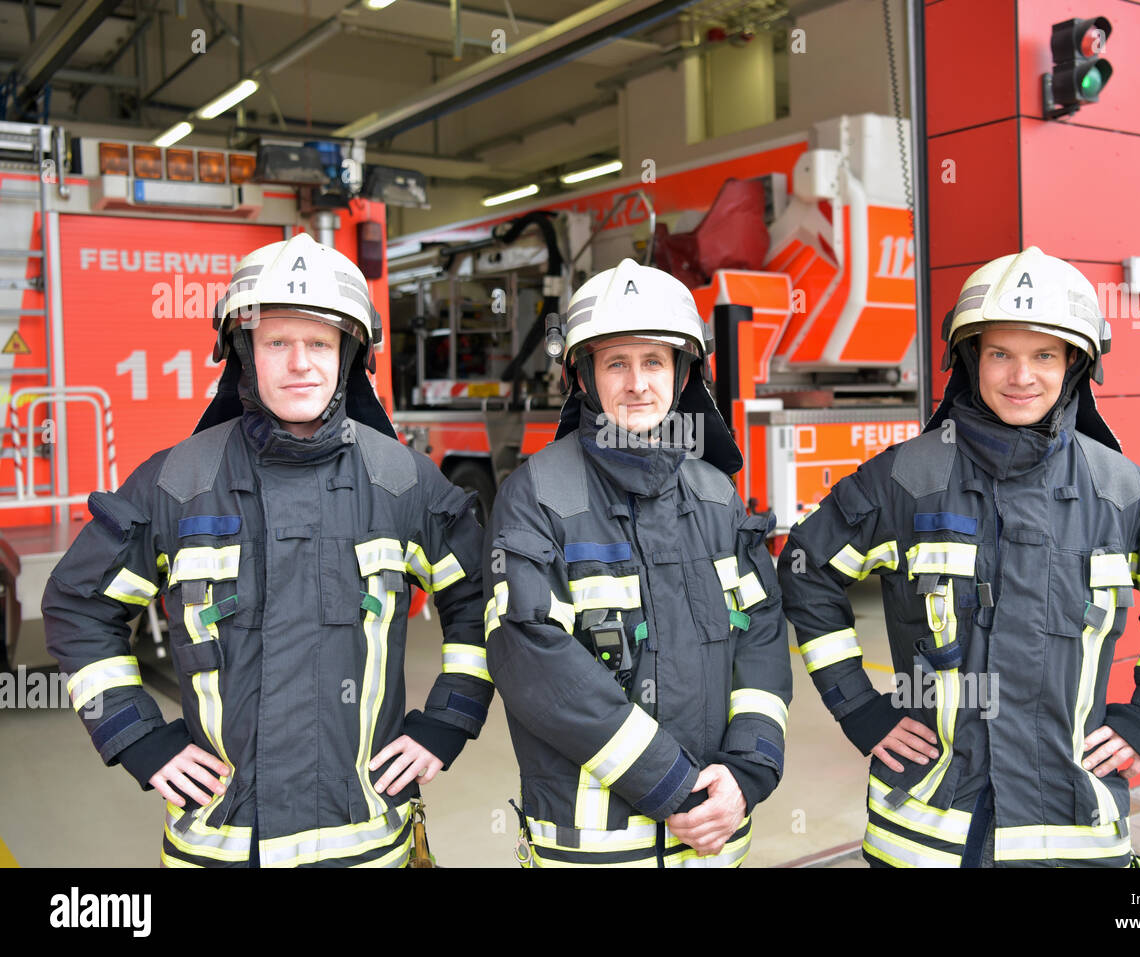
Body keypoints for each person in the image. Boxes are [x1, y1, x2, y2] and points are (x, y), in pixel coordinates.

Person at [43, 233, 490, 867]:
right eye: (278, 342)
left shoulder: (404, 483)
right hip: (219, 847)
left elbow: (484, 600)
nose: (300, 363)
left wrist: (448, 721)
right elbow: (78, 608)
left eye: (320, 343)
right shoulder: (178, 482)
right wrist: (137, 737)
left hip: (363, 845)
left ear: (349, 356)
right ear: (243, 352)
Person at [777, 246, 1140, 868]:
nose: (1022, 376)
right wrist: (861, 708)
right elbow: (807, 572)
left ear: (1074, 365)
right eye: (1001, 354)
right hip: (928, 838)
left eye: (1044, 354)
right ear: (970, 359)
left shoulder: (1119, 491)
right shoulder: (906, 480)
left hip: (1072, 831)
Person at [484, 259, 792, 867]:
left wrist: (748, 769)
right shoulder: (538, 494)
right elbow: (532, 659)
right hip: (595, 851)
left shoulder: (716, 494)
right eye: (616, 363)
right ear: (584, 377)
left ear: (681, 376)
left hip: (713, 842)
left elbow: (760, 632)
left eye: (653, 362)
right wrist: (672, 785)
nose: (637, 384)